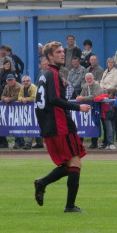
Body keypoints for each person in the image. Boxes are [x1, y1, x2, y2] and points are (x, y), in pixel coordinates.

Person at [33, 41, 91, 213]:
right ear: (50, 56)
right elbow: (54, 100)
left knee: (70, 164)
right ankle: (69, 206)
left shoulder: (45, 75)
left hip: (51, 125)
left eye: (62, 51)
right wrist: (78, 107)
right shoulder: (53, 74)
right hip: (60, 125)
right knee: (75, 162)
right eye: (58, 52)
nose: (62, 54)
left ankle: (42, 183)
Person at [76, 73, 102, 149]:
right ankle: (80, 143)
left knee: (94, 124)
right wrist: (79, 97)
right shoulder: (85, 86)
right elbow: (82, 95)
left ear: (93, 78)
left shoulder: (96, 85)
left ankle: (94, 143)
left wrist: (83, 98)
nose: (89, 80)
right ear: (85, 79)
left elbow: (95, 96)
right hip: (86, 109)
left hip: (95, 108)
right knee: (82, 125)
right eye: (88, 79)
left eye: (90, 78)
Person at [18, 75, 43, 149]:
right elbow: (19, 96)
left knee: (33, 125)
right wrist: (22, 99)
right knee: (34, 124)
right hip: (30, 110)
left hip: (37, 108)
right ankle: (39, 143)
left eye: (27, 81)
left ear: (30, 81)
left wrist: (26, 99)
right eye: (24, 81)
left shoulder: (33, 87)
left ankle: (28, 143)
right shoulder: (22, 87)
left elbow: (34, 97)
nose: (26, 82)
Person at [2, 74, 24, 149]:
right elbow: (2, 95)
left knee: (18, 125)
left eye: (12, 80)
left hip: (19, 109)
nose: (10, 81)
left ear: (15, 80)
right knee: (13, 125)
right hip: (10, 109)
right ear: (7, 81)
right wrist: (4, 98)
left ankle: (19, 142)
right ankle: (20, 142)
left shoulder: (19, 86)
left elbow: (17, 96)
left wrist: (9, 99)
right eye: (9, 80)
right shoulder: (6, 87)